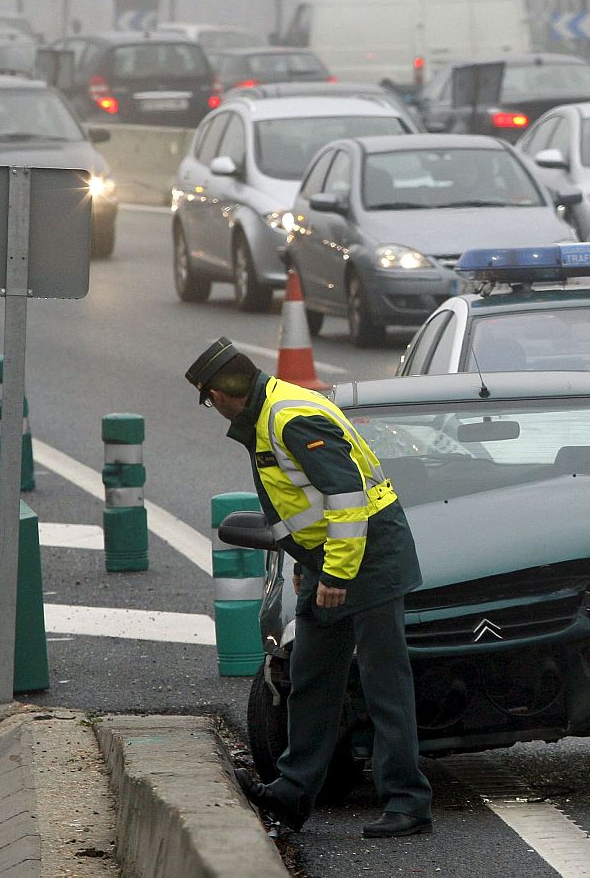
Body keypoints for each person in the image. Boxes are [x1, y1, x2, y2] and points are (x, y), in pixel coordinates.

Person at [185, 338, 433, 838]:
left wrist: (338, 573)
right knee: (312, 675)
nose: (213, 410)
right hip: (332, 561)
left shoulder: (289, 417)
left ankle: (408, 801)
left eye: (210, 400)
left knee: (386, 684)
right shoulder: (271, 412)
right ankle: (291, 794)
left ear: (222, 393)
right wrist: (308, 563)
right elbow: (305, 503)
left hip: (368, 558)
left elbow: (346, 497)